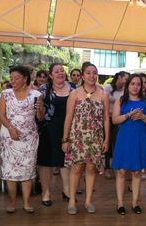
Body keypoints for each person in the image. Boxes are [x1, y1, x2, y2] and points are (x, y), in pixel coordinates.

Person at [63, 62, 109, 214]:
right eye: (88, 73)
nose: (92, 76)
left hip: (96, 137)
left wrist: (106, 139)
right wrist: (65, 139)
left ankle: (89, 201)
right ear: (82, 76)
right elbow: (68, 117)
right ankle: (71, 200)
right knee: (76, 168)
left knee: (91, 168)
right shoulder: (74, 93)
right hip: (77, 136)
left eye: (94, 73)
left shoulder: (103, 94)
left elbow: (106, 119)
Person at [0, 65, 42, 213]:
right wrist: (10, 128)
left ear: (25, 78)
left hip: (28, 137)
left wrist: (41, 109)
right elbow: (1, 115)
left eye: (16, 78)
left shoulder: (36, 94)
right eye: (11, 78)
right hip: (9, 137)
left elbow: (40, 118)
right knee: (10, 170)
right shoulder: (6, 94)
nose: (13, 81)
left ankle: (26, 202)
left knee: (27, 170)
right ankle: (12, 203)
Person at [111, 73, 146, 215]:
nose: (135, 87)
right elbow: (114, 120)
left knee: (136, 172)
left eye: (138, 84)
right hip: (124, 139)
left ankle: (135, 203)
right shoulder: (121, 101)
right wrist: (128, 115)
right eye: (133, 84)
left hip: (139, 139)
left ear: (141, 87)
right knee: (122, 171)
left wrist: (143, 116)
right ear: (128, 85)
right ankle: (120, 204)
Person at [37, 63, 72, 207]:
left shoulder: (73, 88)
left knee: (67, 160)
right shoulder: (44, 89)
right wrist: (39, 110)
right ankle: (45, 193)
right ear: (51, 75)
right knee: (46, 162)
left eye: (62, 71)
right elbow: (39, 115)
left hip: (68, 129)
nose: (60, 73)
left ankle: (67, 190)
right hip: (48, 128)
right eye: (56, 71)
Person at [103, 71, 128, 178]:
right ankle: (107, 168)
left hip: (118, 120)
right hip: (107, 119)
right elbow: (103, 101)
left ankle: (117, 166)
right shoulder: (108, 87)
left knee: (117, 142)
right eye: (126, 78)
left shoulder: (125, 90)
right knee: (107, 141)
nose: (127, 81)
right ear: (119, 77)